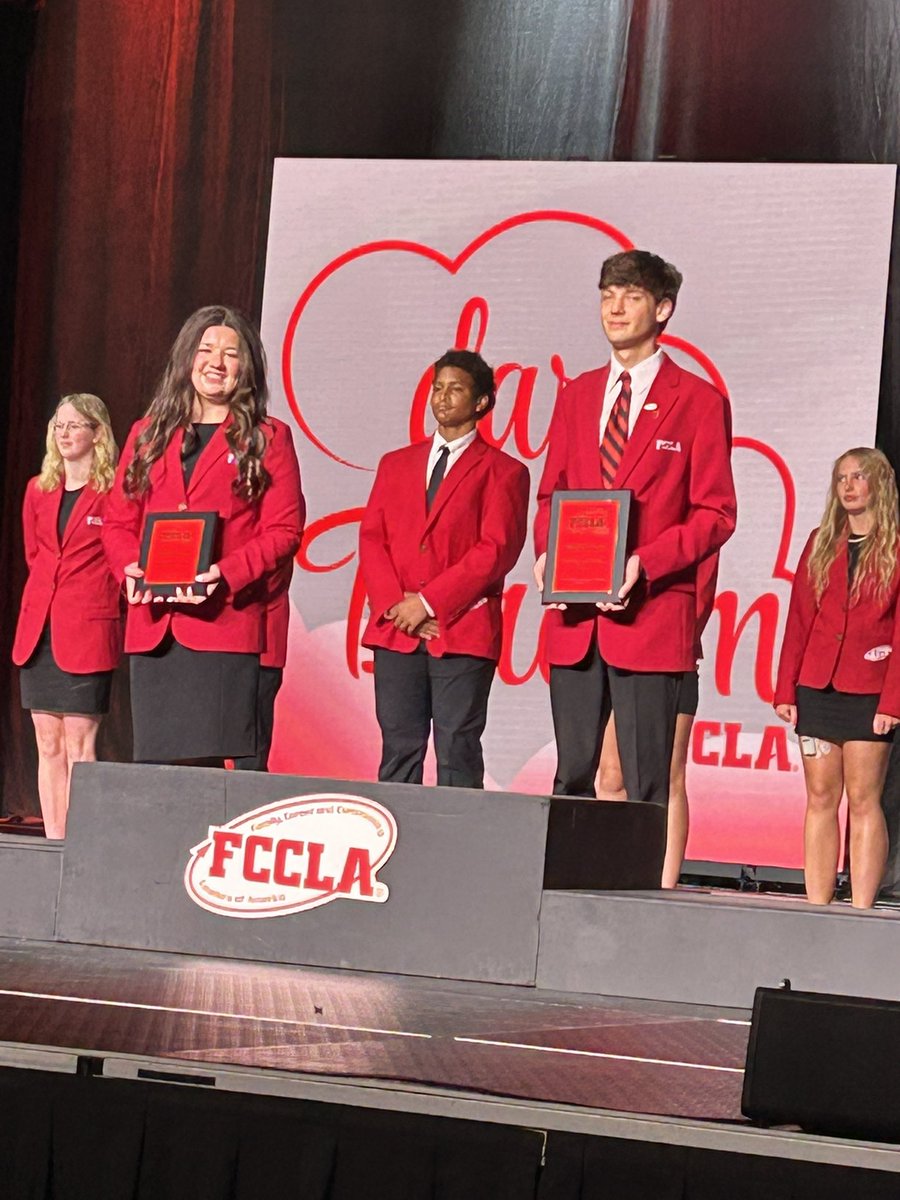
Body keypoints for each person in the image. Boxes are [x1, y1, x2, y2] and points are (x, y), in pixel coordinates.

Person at [534, 249, 736, 829]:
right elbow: (552, 494)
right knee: (572, 776)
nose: (615, 308)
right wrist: (548, 552)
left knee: (647, 787)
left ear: (663, 308)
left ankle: (635, 889)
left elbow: (717, 513)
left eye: (631, 296)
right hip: (575, 618)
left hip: (650, 618)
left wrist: (644, 563)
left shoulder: (697, 401)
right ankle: (565, 884)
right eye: (607, 296)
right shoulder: (576, 394)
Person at [102, 306, 304, 765]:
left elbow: (284, 529)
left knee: (214, 773)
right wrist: (128, 568)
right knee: (159, 772)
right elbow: (118, 522)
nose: (216, 362)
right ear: (187, 357)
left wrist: (226, 574)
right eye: (206, 349)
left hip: (223, 626)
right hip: (156, 629)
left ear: (246, 367)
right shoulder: (147, 435)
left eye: (231, 354)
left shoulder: (268, 437)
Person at [359, 348, 530, 787]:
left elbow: (497, 549)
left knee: (457, 749)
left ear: (481, 402)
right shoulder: (395, 464)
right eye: (438, 387)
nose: (442, 397)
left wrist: (430, 603)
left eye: (456, 389)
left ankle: (460, 834)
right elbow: (373, 538)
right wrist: (397, 606)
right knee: (399, 747)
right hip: (397, 630)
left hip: (462, 631)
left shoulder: (504, 472)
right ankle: (397, 831)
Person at [774, 447, 900, 909]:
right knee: (821, 797)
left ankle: (861, 908)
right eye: (842, 478)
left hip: (869, 692)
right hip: (817, 689)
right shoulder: (820, 542)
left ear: (879, 484)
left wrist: (893, 701)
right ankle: (817, 906)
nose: (849, 486)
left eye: (859, 476)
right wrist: (786, 688)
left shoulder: (896, 546)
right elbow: (799, 620)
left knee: (864, 800)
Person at [13, 394, 121, 838]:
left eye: (75, 425)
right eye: (59, 425)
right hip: (40, 630)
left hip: (87, 629)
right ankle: (55, 844)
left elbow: (120, 559)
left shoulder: (115, 491)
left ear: (97, 433)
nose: (64, 433)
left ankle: (82, 845)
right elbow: (35, 555)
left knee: (79, 743)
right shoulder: (38, 489)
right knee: (47, 741)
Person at [594, 554, 720, 887]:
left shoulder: (690, 534)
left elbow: (701, 595)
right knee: (611, 776)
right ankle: (611, 878)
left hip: (668, 655)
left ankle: (662, 885)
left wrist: (671, 636)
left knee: (667, 775)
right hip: (618, 649)